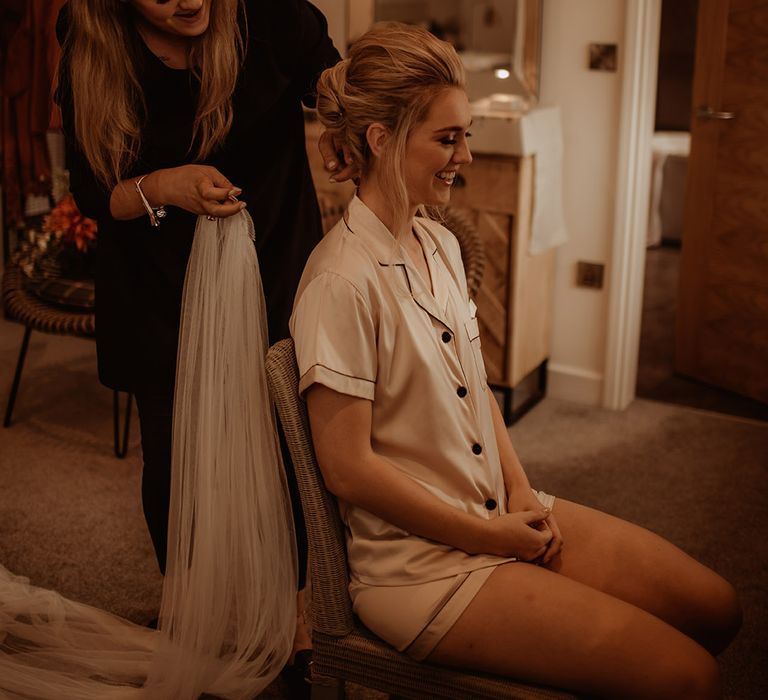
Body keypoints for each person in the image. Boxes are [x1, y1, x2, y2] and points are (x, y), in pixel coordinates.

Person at [290, 22, 742, 699]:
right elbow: (348, 470)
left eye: (466, 135)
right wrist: (489, 537)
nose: (465, 156)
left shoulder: (440, 244)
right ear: (381, 140)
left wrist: (522, 492)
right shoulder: (339, 283)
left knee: (717, 608)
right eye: (447, 138)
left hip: (493, 510)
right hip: (420, 571)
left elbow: (476, 391)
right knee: (689, 679)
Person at [55, 0, 344, 688]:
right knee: (173, 452)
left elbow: (330, 80)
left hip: (275, 256)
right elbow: (96, 194)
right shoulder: (90, 37)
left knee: (289, 444)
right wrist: (165, 186)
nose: (187, 0)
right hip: (155, 282)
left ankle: (298, 615)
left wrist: (350, 112)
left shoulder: (269, 16)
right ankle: (187, 606)